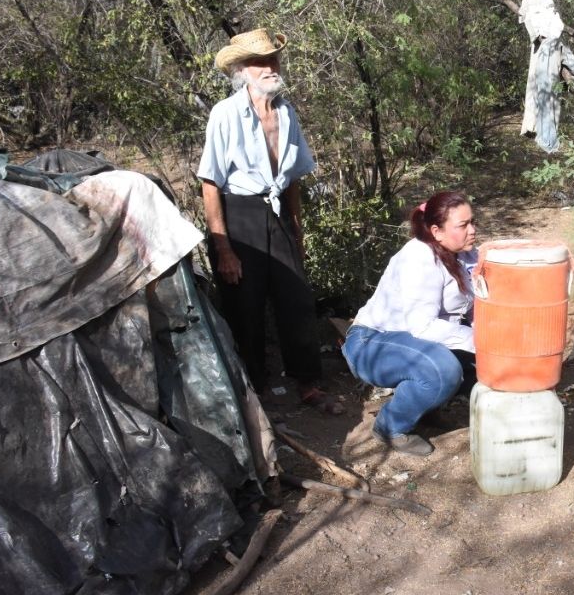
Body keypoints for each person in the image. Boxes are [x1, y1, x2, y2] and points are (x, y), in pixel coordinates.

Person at [198, 28, 342, 414]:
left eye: (273, 59)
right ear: (242, 70)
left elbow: (293, 176)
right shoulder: (225, 114)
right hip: (239, 214)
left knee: (295, 299)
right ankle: (253, 394)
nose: (270, 67)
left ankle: (308, 384)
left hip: (275, 211)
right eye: (260, 62)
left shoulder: (285, 111)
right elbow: (210, 183)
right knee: (244, 307)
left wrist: (295, 229)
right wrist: (223, 247)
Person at [342, 192, 479, 457]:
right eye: (463, 225)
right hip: (372, 344)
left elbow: (488, 272)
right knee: (443, 369)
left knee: (483, 364)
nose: (472, 231)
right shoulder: (420, 258)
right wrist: (480, 339)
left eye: (473, 222)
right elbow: (423, 327)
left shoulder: (462, 253)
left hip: (409, 343)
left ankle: (424, 408)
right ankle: (389, 425)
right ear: (437, 231)